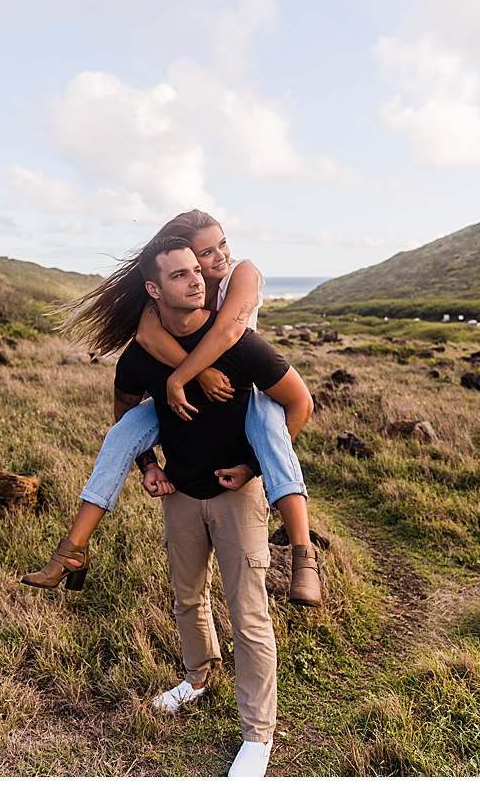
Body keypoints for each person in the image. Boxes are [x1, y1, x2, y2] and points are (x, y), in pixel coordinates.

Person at [22, 210, 323, 606]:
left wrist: (182, 377)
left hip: (242, 388)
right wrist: (194, 378)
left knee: (272, 432)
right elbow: (148, 334)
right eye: (205, 253)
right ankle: (72, 549)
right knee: (123, 433)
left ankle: (304, 556)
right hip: (194, 387)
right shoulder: (175, 291)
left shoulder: (241, 274)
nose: (219, 258)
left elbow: (230, 330)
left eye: (223, 244)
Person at [111, 235, 313, 775]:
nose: (195, 278)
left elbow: (299, 402)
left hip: (238, 499)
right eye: (178, 274)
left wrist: (253, 465)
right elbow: (125, 409)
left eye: (195, 269)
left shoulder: (240, 344)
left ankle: (258, 735)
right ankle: (198, 679)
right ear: (154, 289)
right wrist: (148, 466)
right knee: (186, 598)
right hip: (179, 493)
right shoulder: (143, 351)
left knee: (248, 615)